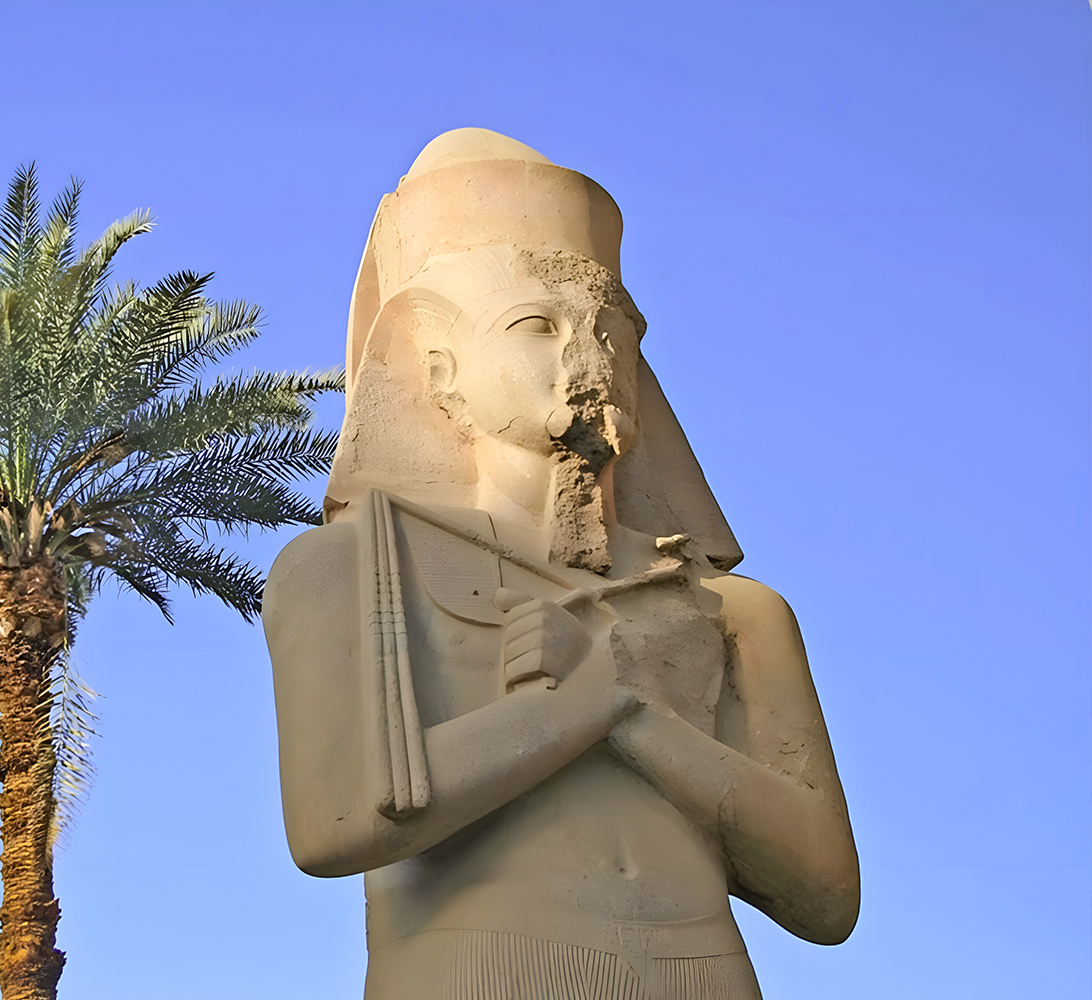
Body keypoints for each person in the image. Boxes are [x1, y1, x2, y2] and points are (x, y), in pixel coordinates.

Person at [263, 129, 858, 1000]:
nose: (591, 357)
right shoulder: (347, 569)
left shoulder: (733, 609)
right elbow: (337, 824)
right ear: (441, 371)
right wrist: (587, 703)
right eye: (537, 325)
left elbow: (826, 896)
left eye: (611, 327)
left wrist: (624, 709)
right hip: (471, 965)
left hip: (706, 971)